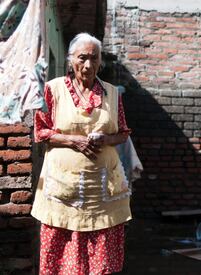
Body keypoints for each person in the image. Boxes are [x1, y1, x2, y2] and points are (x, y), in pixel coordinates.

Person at [31, 32, 132, 275]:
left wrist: (107, 138)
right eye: (82, 58)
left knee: (102, 258)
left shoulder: (112, 93)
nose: (88, 65)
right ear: (70, 60)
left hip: (103, 192)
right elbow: (41, 131)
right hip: (63, 189)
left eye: (94, 58)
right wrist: (74, 140)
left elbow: (123, 132)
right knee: (62, 250)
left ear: (100, 61)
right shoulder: (53, 89)